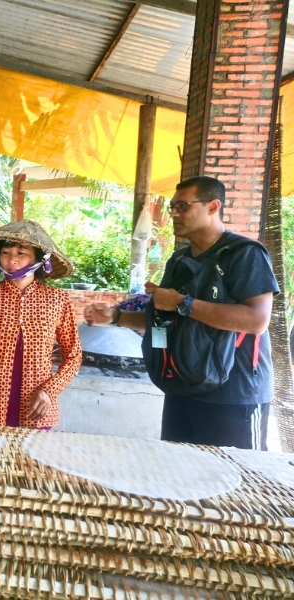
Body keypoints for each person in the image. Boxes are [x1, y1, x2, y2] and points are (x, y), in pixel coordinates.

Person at [83, 176, 279, 450]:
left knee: (236, 482)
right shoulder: (179, 260)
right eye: (172, 207)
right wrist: (116, 318)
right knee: (180, 476)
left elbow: (256, 321)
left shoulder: (245, 255)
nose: (174, 213)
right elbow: (165, 316)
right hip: (183, 384)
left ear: (212, 207)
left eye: (183, 206)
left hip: (234, 395)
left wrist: (182, 303)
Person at [0, 221, 82, 428]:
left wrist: (50, 390)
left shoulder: (57, 300)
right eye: (5, 252)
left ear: (40, 259)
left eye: (21, 253)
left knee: (30, 461)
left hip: (37, 410)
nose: (11, 259)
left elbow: (73, 355)